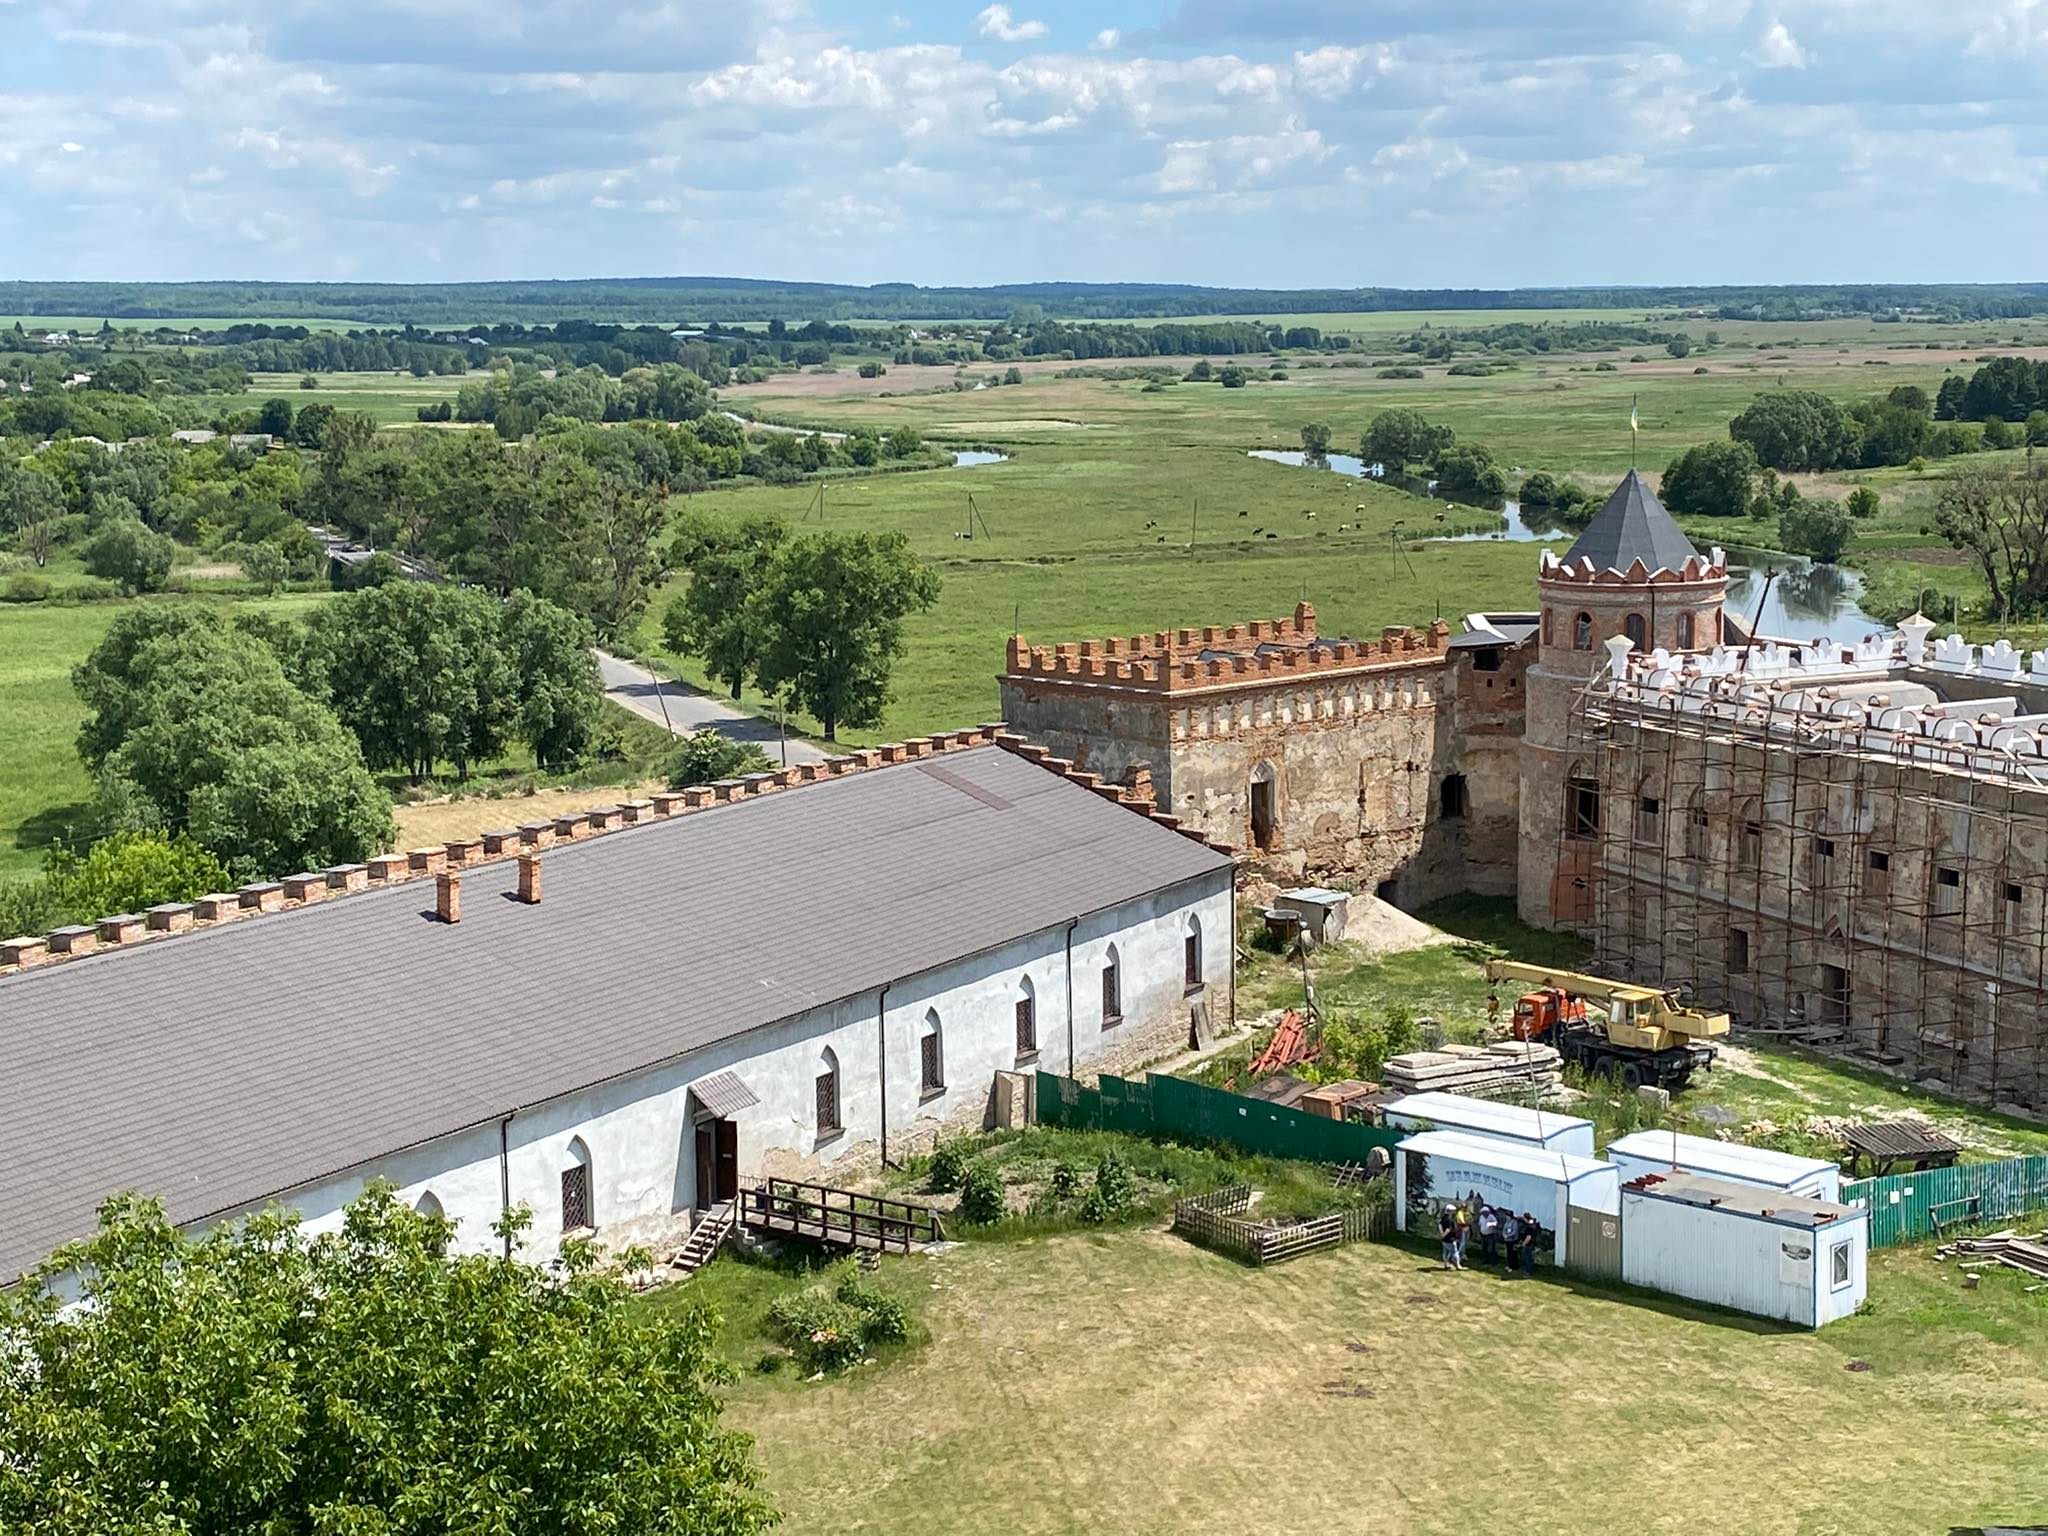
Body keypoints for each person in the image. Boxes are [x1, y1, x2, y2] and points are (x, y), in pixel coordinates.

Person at [1476, 1203, 1501, 1267]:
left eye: (1485, 1213)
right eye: (1483, 1213)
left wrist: (1491, 1224)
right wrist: (1479, 1233)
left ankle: (1494, 1262)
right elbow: (1479, 1225)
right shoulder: (1481, 1217)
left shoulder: (1491, 1216)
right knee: (1483, 1248)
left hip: (1490, 1235)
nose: (1484, 1214)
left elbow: (1496, 1223)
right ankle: (1485, 1260)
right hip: (1483, 1235)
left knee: (1491, 1249)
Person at [1517, 1211, 1540, 1276]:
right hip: (1529, 1244)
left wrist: (1523, 1244)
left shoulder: (1529, 1227)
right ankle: (1528, 1271)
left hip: (1528, 1245)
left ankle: (1529, 1271)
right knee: (1528, 1258)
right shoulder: (1531, 1225)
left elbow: (1528, 1237)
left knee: (1527, 1259)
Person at [1437, 1204, 1459, 1269]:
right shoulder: (1449, 1219)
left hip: (1444, 1239)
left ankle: (1445, 1264)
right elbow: (1448, 1229)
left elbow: (1440, 1225)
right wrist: (1444, 1235)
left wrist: (1441, 1234)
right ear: (1450, 1211)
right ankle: (1458, 1265)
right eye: (1453, 1211)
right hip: (1450, 1239)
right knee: (1455, 1252)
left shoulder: (1443, 1218)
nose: (1454, 1212)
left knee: (1445, 1252)